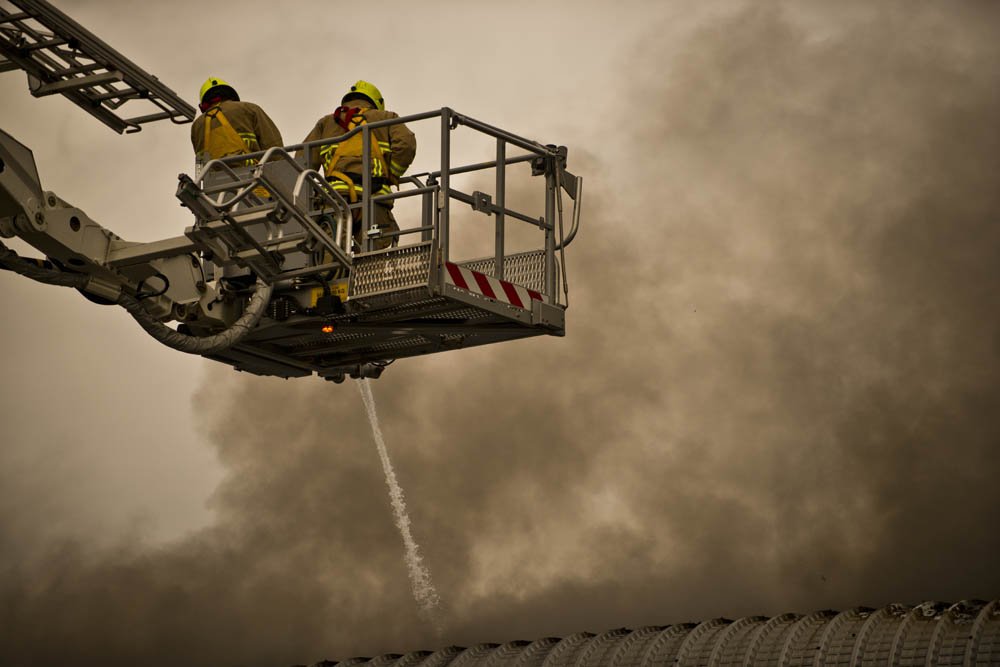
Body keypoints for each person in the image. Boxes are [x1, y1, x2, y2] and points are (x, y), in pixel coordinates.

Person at [300, 80, 416, 251]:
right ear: (376, 103)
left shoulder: (326, 123)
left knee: (331, 255)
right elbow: (406, 145)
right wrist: (392, 174)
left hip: (335, 198)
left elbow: (303, 161)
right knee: (371, 259)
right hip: (374, 197)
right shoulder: (386, 118)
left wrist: (308, 198)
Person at [190, 76, 283, 171]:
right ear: (231, 94)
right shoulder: (249, 109)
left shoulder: (197, 126)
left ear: (203, 105)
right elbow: (274, 147)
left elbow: (200, 164)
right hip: (254, 179)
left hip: (214, 183)